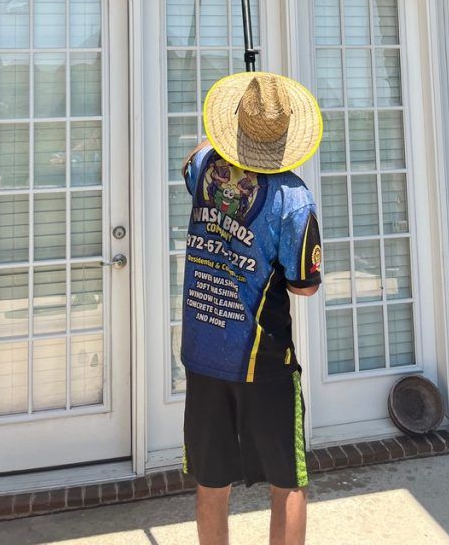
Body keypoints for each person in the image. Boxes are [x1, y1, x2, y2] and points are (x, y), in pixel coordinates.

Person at [180, 71, 324, 545]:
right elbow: (304, 286)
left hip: (204, 354)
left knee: (211, 479)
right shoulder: (294, 198)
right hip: (263, 362)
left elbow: (195, 151)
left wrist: (229, 128)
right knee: (287, 481)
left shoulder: (203, 168)